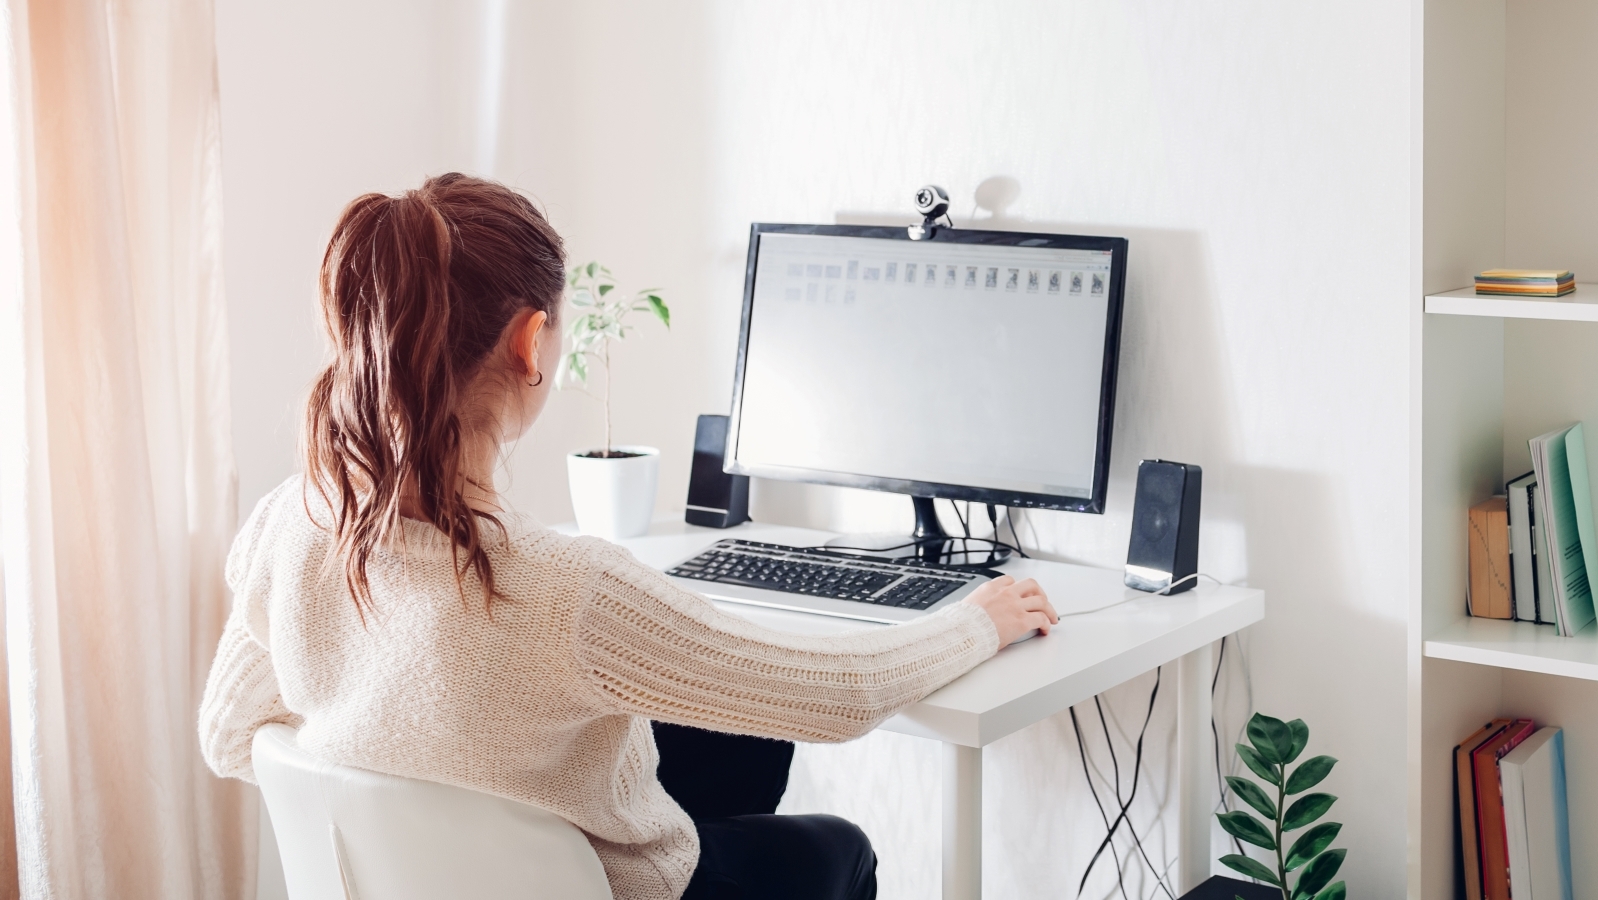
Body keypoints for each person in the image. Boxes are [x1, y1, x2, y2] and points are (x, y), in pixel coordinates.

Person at [197, 173, 1057, 900]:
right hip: (625, 888)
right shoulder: (567, 589)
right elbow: (837, 697)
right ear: (530, 342)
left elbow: (231, 737)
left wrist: (414, 770)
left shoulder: (293, 519)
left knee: (747, 742)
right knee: (841, 846)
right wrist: (980, 620)